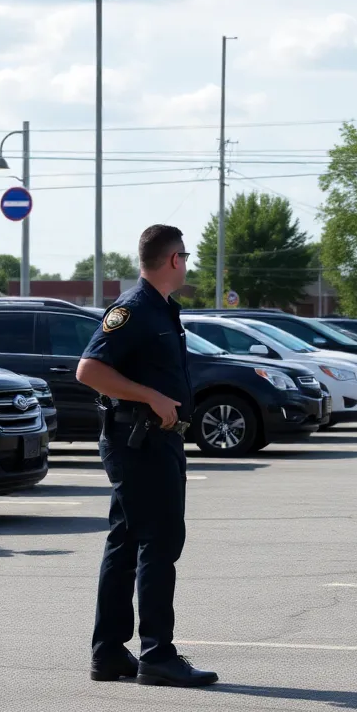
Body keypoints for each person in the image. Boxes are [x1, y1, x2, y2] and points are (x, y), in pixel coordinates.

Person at [76, 224, 217, 688]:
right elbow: (89, 369)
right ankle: (157, 653)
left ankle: (110, 652)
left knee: (127, 542)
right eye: (187, 256)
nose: (188, 264)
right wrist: (152, 397)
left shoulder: (161, 309)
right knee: (158, 542)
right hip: (140, 441)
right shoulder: (133, 309)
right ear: (174, 259)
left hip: (153, 441)